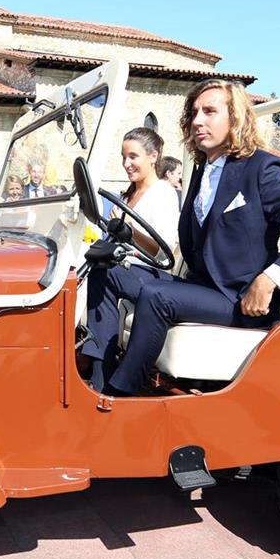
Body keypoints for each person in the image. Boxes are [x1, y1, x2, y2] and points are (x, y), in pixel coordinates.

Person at [94, 80, 280, 397]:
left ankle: (122, 394)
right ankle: (97, 376)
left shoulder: (262, 169)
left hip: (239, 299)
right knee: (108, 270)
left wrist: (270, 279)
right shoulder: (202, 170)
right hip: (201, 286)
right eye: (195, 112)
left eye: (210, 111)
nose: (198, 120)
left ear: (235, 117)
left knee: (158, 296)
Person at [80, 128, 181, 392]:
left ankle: (98, 371)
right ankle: (89, 357)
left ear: (153, 156)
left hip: (152, 274)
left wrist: (129, 230)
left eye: (133, 156)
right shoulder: (127, 196)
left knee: (105, 273)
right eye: (124, 157)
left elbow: (163, 250)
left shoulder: (163, 193)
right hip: (127, 271)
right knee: (89, 268)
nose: (127, 164)